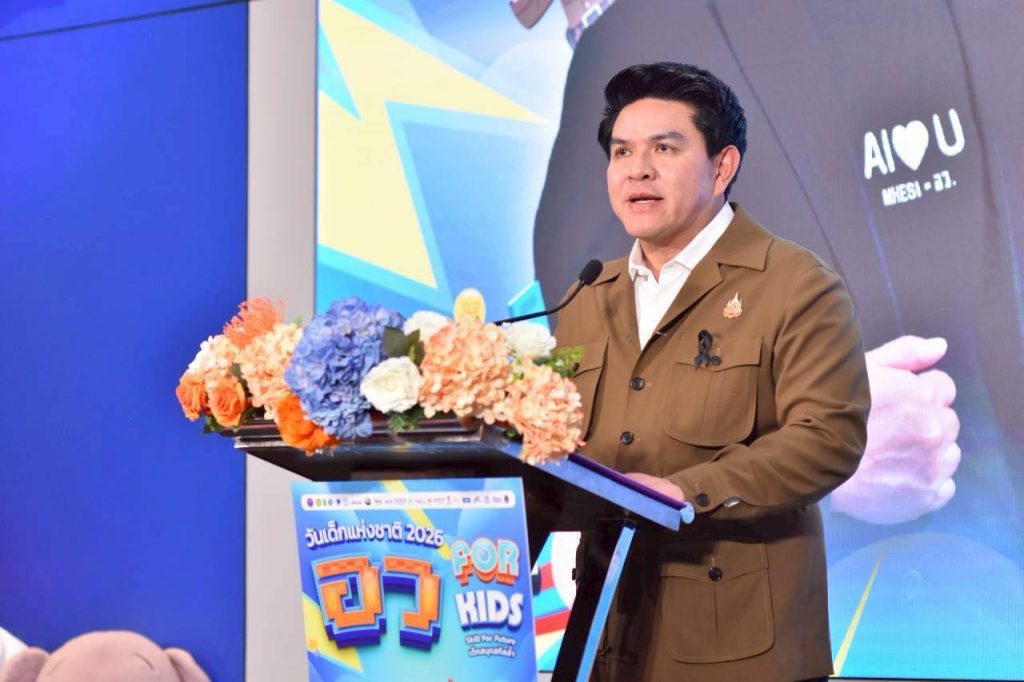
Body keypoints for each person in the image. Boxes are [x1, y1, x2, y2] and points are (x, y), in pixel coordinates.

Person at [553, 62, 869, 682]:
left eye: (664, 148)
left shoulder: (796, 284)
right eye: (622, 151)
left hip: (740, 643)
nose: (637, 170)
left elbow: (827, 439)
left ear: (722, 166)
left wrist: (684, 492)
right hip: (606, 632)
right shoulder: (588, 295)